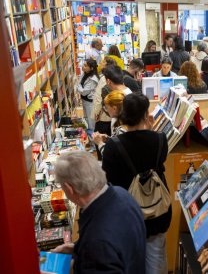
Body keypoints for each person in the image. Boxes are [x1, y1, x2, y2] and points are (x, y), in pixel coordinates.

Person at [102, 93, 172, 274]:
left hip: (127, 213)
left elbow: (108, 180)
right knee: (156, 257)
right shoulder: (160, 140)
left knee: (130, 261)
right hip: (157, 210)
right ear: (145, 114)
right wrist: (149, 128)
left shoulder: (113, 145)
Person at [52, 151, 146, 273]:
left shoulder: (96, 243)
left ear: (69, 189)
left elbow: (102, 244)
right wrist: (78, 248)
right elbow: (119, 242)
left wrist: (86, 254)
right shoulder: (122, 194)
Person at [93, 57, 117, 158]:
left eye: (103, 62)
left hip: (103, 117)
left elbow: (99, 98)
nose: (100, 63)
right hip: (112, 116)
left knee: (100, 139)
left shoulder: (104, 79)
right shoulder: (114, 77)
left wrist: (96, 113)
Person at [92, 90, 127, 156]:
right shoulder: (123, 124)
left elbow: (110, 156)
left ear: (114, 108)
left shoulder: (122, 129)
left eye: (107, 107)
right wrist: (108, 139)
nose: (106, 110)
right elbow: (118, 144)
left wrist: (99, 143)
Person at [76, 59, 99, 134]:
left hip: (90, 103)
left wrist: (78, 87)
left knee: (91, 122)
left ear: (91, 68)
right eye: (83, 64)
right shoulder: (85, 73)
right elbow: (79, 83)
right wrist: (79, 86)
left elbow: (84, 92)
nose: (83, 66)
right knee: (86, 119)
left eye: (85, 65)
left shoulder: (93, 79)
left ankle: (93, 139)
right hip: (85, 101)